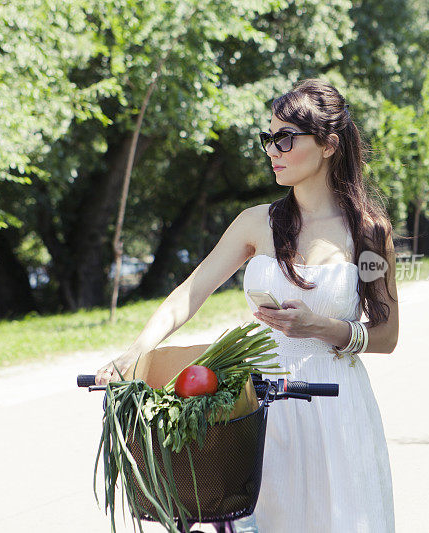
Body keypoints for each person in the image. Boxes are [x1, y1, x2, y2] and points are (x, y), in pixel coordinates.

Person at [96, 78, 398, 532]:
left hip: (336, 406)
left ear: (329, 144)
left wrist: (322, 327)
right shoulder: (256, 223)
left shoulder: (371, 232)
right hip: (259, 401)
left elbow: (387, 336)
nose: (272, 150)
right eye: (268, 138)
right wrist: (136, 352)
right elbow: (190, 293)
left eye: (285, 138)